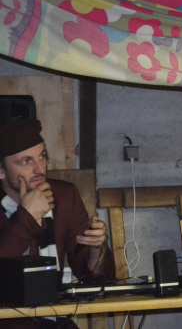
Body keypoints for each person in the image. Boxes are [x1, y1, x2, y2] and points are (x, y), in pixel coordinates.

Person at [0, 119, 115, 328]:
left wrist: (96, 249)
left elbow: (95, 280)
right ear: (1, 171)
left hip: (53, 320)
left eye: (42, 156)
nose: (39, 169)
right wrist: (26, 218)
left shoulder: (64, 196)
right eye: (26, 161)